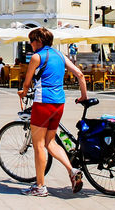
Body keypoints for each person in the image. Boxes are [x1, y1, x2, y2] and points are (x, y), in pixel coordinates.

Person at [17, 27, 88, 197]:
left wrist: (22, 92)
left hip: (43, 102)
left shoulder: (37, 57)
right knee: (50, 142)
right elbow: (79, 74)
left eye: (31, 41)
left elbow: (27, 83)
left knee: (39, 145)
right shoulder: (60, 55)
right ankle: (72, 170)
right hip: (59, 103)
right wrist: (83, 96)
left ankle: (40, 186)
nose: (30, 45)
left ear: (38, 41)